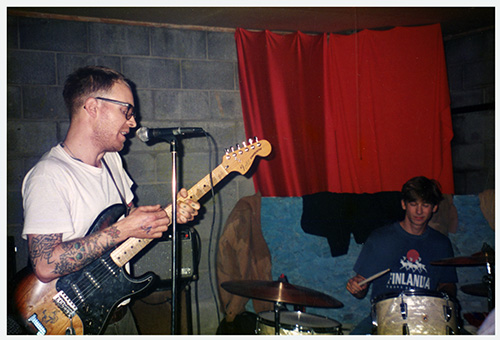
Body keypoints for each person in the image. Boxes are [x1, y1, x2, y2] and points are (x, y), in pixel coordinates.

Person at [21, 65, 201, 334]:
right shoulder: (50, 175)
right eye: (126, 111)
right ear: (93, 107)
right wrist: (125, 228)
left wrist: (170, 214)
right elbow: (45, 265)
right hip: (69, 319)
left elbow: (130, 228)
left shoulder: (113, 162)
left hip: (117, 313)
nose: (133, 122)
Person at [346, 176, 458, 335]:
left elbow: (448, 284)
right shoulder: (380, 239)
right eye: (413, 204)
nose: (419, 211)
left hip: (427, 317)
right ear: (403, 204)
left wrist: (444, 299)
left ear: (434, 207)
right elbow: (361, 290)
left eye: (425, 205)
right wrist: (356, 287)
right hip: (384, 317)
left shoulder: (441, 244)